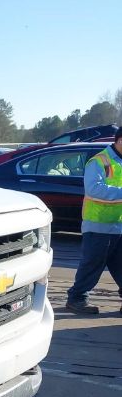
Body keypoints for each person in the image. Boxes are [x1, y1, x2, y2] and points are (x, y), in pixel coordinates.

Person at [65, 128, 122, 314]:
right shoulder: (99, 161)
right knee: (92, 264)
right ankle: (77, 299)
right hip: (99, 225)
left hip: (118, 225)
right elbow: (94, 189)